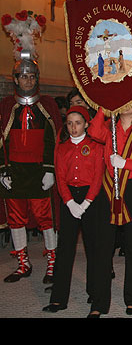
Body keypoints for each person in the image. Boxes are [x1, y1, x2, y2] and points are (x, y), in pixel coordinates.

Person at [87, 100, 132, 317]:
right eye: (123, 100)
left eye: (131, 100)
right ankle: (99, 303)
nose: (127, 104)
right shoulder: (109, 129)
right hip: (108, 192)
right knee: (103, 248)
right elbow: (92, 130)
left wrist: (126, 163)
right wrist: (105, 104)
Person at [0, 56, 62, 284]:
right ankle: (23, 263)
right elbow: (1, 141)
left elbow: (53, 139)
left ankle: (53, 263)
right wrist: (2, 170)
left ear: (37, 79)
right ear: (16, 79)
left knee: (47, 218)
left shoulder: (47, 104)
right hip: (14, 172)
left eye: (31, 76)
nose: (27, 80)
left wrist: (50, 169)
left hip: (39, 172)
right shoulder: (7, 105)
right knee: (16, 219)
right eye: (23, 76)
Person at [43, 106, 105, 313]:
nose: (73, 127)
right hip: (69, 198)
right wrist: (70, 203)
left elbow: (98, 177)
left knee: (94, 248)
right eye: (69, 123)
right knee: (65, 249)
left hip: (90, 198)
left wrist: (86, 203)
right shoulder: (62, 148)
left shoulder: (96, 146)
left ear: (86, 124)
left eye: (78, 122)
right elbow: (60, 178)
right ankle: (58, 298)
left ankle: (96, 296)